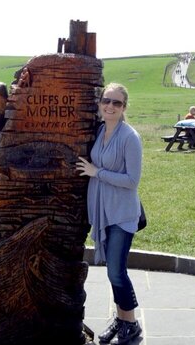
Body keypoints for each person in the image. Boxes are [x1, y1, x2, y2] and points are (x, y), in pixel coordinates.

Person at [76, 83, 142, 344]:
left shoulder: (130, 137)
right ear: (100, 104)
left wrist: (97, 172)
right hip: (102, 210)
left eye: (117, 103)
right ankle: (121, 319)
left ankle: (131, 324)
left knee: (116, 271)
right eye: (107, 101)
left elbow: (132, 181)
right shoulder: (100, 130)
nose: (110, 106)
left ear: (124, 107)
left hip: (122, 214)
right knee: (112, 270)